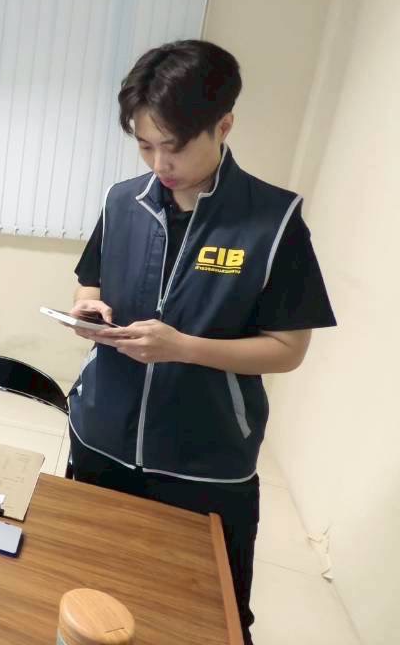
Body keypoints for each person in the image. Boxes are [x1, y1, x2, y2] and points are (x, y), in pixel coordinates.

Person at [63, 40, 336, 644]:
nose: (160, 162)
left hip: (204, 459)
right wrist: (87, 306)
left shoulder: (272, 221)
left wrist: (184, 347)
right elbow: (91, 279)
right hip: (101, 434)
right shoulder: (122, 201)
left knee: (209, 616)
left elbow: (288, 348)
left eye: (176, 145)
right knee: (90, 590)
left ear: (223, 126)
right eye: (144, 145)